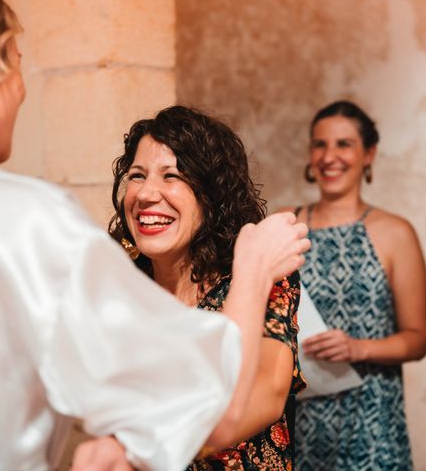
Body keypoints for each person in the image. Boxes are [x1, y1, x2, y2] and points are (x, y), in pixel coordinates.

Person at [0, 0, 310, 470]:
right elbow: (215, 406)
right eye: (137, 174)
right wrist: (254, 267)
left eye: (173, 176)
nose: (23, 90)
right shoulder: (23, 223)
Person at [108, 105, 306, 470]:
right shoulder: (119, 291)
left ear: (210, 195)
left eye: (172, 176)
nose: (147, 194)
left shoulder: (257, 276)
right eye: (137, 175)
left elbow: (266, 395)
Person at [278, 100, 426, 470]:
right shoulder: (285, 226)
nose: (330, 156)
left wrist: (357, 347)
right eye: (320, 144)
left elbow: (417, 339)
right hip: (297, 420)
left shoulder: (396, 233)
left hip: (373, 422)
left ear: (368, 154)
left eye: (344, 144)